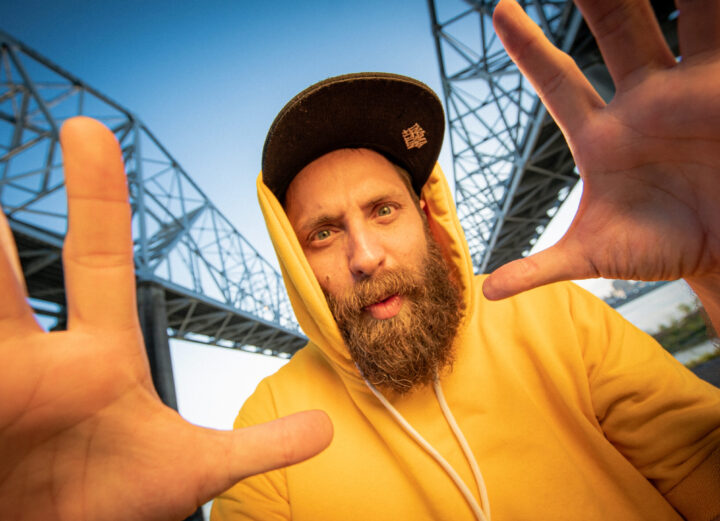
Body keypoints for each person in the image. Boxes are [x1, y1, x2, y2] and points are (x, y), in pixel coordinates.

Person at [0, 0, 717, 520]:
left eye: (383, 209)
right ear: (293, 262)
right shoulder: (266, 428)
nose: (366, 255)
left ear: (430, 218)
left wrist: (716, 270)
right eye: (321, 233)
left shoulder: (554, 318)